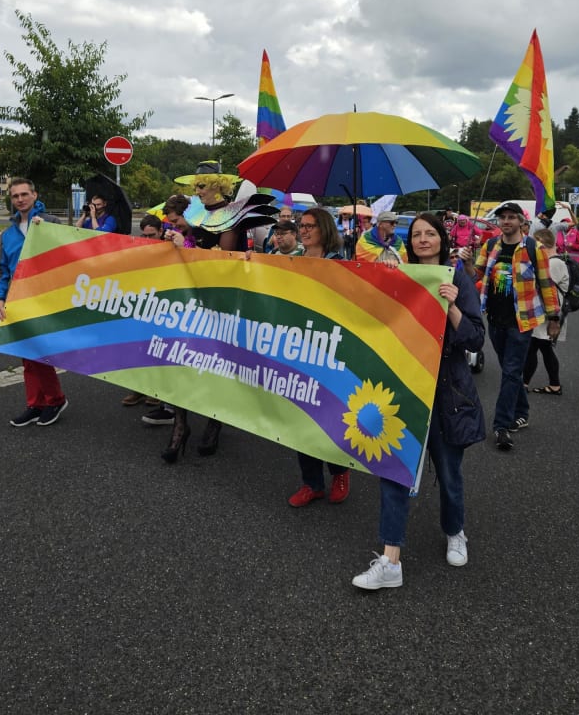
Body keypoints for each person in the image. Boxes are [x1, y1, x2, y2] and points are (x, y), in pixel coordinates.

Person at [352, 212, 485, 590]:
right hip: (404, 388)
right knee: (394, 470)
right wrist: (383, 278)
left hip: (446, 391)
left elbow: (476, 339)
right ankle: (390, 560)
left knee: (448, 473)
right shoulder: (399, 271)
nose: (423, 239)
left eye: (430, 233)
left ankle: (455, 530)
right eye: (416, 234)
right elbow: (374, 320)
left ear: (442, 238)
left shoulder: (457, 276)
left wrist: (454, 306)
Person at [159, 163, 276, 462]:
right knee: (181, 357)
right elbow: (190, 245)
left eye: (201, 186)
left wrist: (185, 244)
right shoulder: (195, 213)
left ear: (216, 186)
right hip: (190, 294)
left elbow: (221, 258)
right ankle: (180, 426)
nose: (196, 192)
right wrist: (179, 240)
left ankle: (214, 420)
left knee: (214, 359)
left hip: (220, 299)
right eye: (195, 187)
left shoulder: (232, 214)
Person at [460, 201, 560, 452]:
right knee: (510, 370)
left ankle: (501, 426)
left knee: (512, 370)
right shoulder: (491, 245)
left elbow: (546, 284)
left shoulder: (532, 247)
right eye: (502, 217)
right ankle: (522, 411)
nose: (506, 221)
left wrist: (554, 318)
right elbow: (478, 277)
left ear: (521, 222)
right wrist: (468, 263)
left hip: (521, 320)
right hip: (495, 319)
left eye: (511, 217)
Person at [287, 207, 351, 507]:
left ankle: (339, 471)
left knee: (329, 417)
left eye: (311, 225)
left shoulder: (339, 263)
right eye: (302, 225)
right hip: (299, 347)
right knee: (302, 419)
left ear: (324, 229)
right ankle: (311, 482)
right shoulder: (294, 259)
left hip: (329, 350)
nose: (304, 230)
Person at [0, 178, 68, 428]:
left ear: (35, 195)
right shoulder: (7, 235)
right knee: (25, 354)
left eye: (25, 194)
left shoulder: (52, 223)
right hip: (17, 298)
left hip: (46, 298)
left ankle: (55, 400)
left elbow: (68, 256)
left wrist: (47, 233)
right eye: (15, 196)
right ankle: (35, 404)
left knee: (41, 352)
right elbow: (1, 270)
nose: (20, 199)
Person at [121, 214, 169, 408]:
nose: (148, 240)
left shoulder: (170, 250)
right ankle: (138, 389)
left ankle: (155, 390)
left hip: (162, 307)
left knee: (157, 350)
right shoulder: (138, 250)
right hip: (142, 305)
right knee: (138, 348)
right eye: (144, 235)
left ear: (160, 232)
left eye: (152, 235)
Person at [523, 229, 569, 395]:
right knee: (541, 348)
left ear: (541, 243)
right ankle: (553, 384)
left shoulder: (554, 263)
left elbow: (544, 288)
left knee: (534, 347)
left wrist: (553, 319)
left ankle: (524, 384)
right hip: (548, 314)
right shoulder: (553, 261)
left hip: (549, 315)